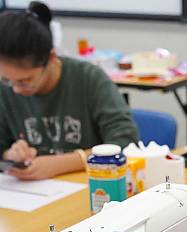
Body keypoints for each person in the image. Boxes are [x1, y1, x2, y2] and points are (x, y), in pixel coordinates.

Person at [0, 2, 138, 180]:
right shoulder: (6, 88)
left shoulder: (89, 79)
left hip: (92, 186)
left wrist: (61, 163)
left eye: (26, 81)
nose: (16, 89)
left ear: (51, 58)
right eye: (6, 79)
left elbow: (126, 143)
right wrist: (10, 155)